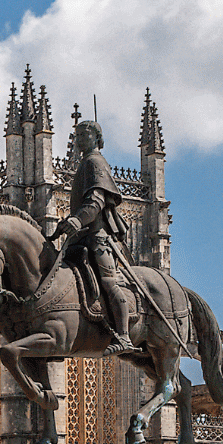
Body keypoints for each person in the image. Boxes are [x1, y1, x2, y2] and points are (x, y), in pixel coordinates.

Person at [47, 119, 136, 354]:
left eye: (84, 135)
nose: (79, 139)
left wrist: (77, 220)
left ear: (97, 138)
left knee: (109, 282)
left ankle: (124, 336)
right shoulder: (85, 163)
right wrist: (67, 223)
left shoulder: (95, 162)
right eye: (77, 135)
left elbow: (96, 200)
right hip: (81, 237)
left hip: (98, 237)